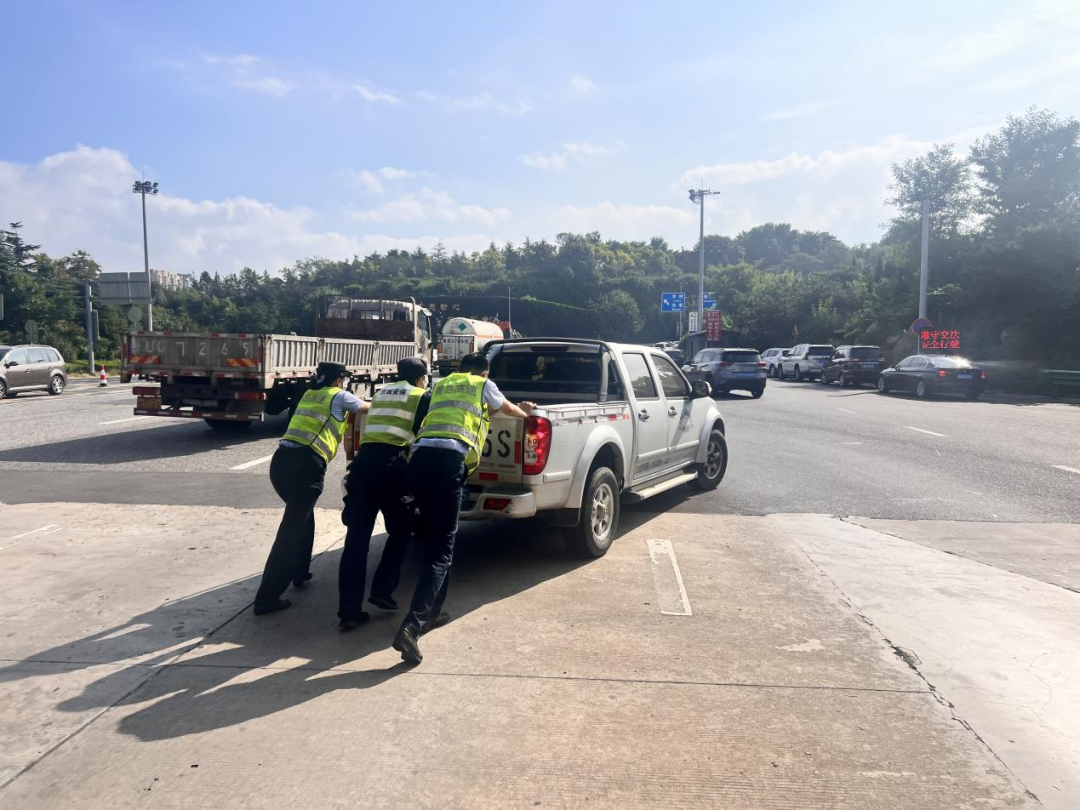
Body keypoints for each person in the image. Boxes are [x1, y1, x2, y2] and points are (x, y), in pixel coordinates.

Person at [392, 351, 536, 664]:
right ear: (484, 373)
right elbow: (506, 408)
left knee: (436, 543)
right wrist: (525, 413)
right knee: (441, 552)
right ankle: (411, 627)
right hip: (447, 464)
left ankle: (433, 612)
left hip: (419, 461)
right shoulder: (482, 384)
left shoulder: (443, 384)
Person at [254, 361, 368, 616]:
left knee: (303, 519)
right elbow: (367, 408)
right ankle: (266, 598)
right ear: (338, 379)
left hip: (280, 464)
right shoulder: (339, 395)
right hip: (306, 467)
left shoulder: (309, 394)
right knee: (291, 530)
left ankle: (300, 572)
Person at [337, 357, 432, 631]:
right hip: (392, 470)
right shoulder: (420, 395)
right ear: (421, 378)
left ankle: (349, 612)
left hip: (362, 468)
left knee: (356, 542)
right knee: (401, 531)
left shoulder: (381, 393)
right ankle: (382, 590)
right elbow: (425, 432)